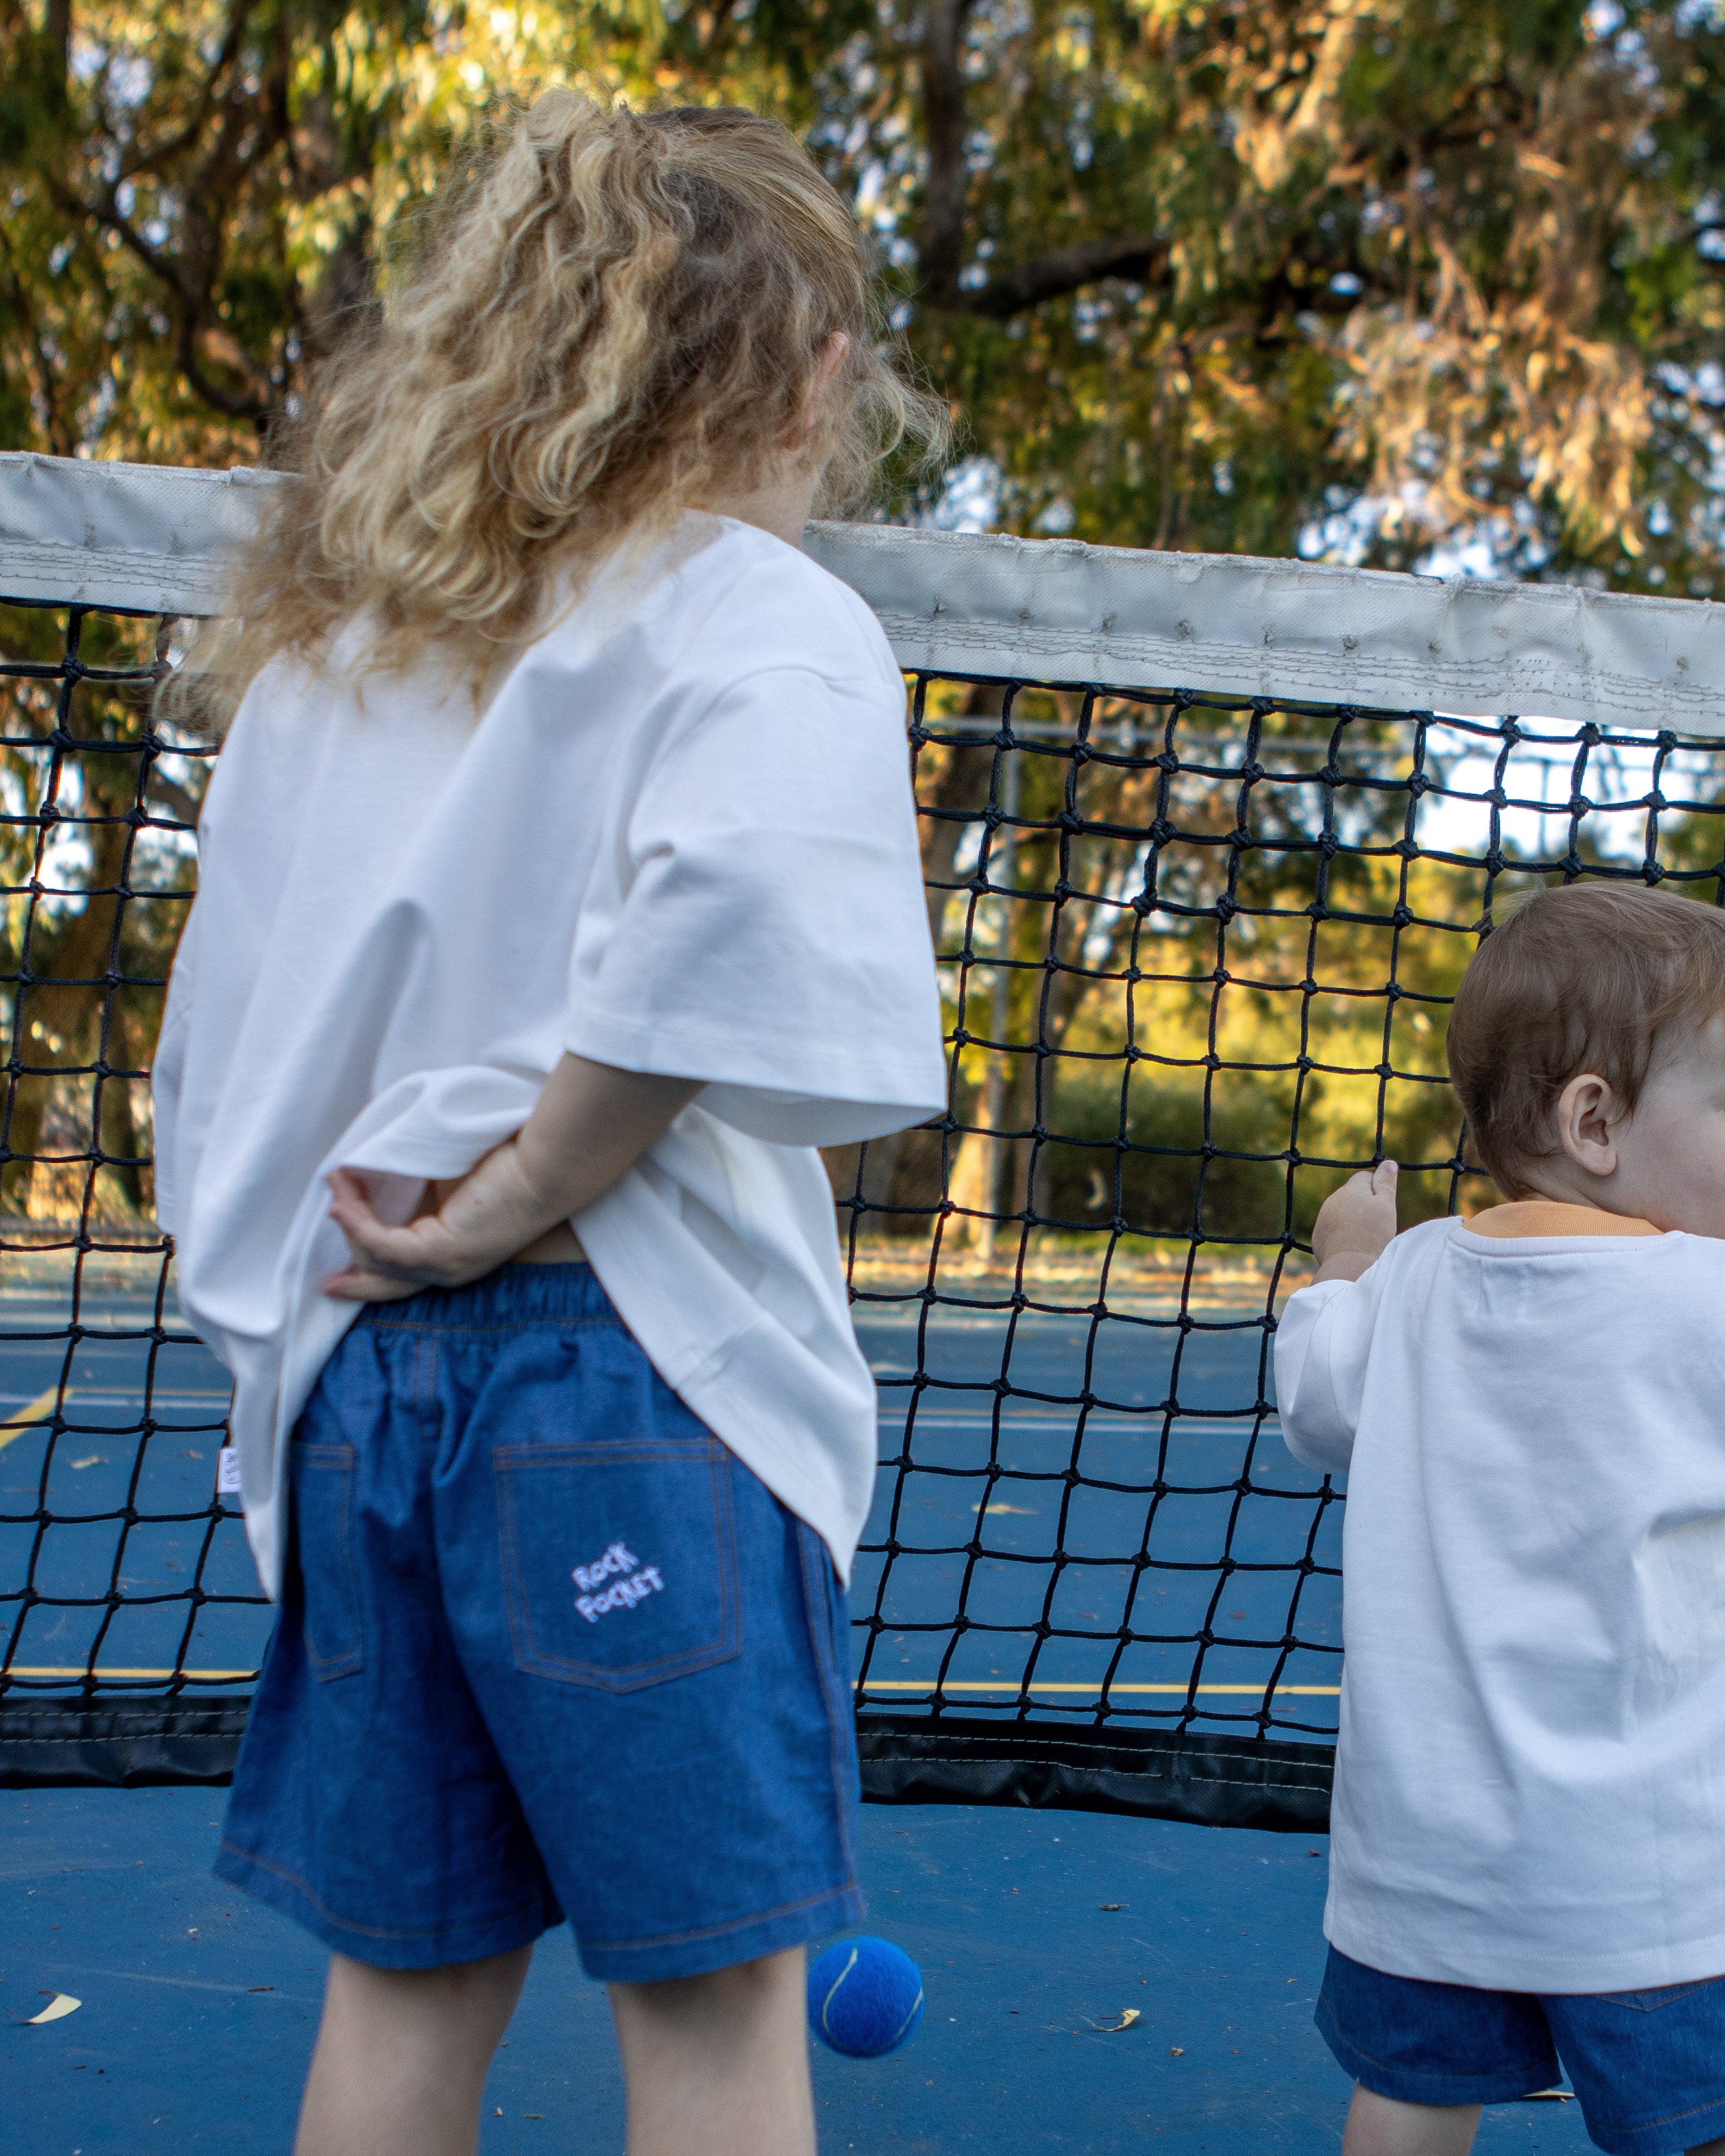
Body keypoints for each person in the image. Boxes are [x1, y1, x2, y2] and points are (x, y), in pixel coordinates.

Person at [152, 94, 949, 2156]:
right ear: (805, 375)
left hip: (356, 1388)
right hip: (629, 1373)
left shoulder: (334, 655)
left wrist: (305, 1339)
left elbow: (218, 1062)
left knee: (402, 1997)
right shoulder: (753, 611)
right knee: (713, 2011)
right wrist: (525, 1187)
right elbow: (729, 913)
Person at [1275, 881, 1725, 2156]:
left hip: (1426, 1870)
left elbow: (1314, 1404)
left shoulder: (1415, 1280)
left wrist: (1343, 1270)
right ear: (1597, 1120)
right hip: (1656, 1878)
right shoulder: (1706, 1298)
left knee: (1413, 2104)